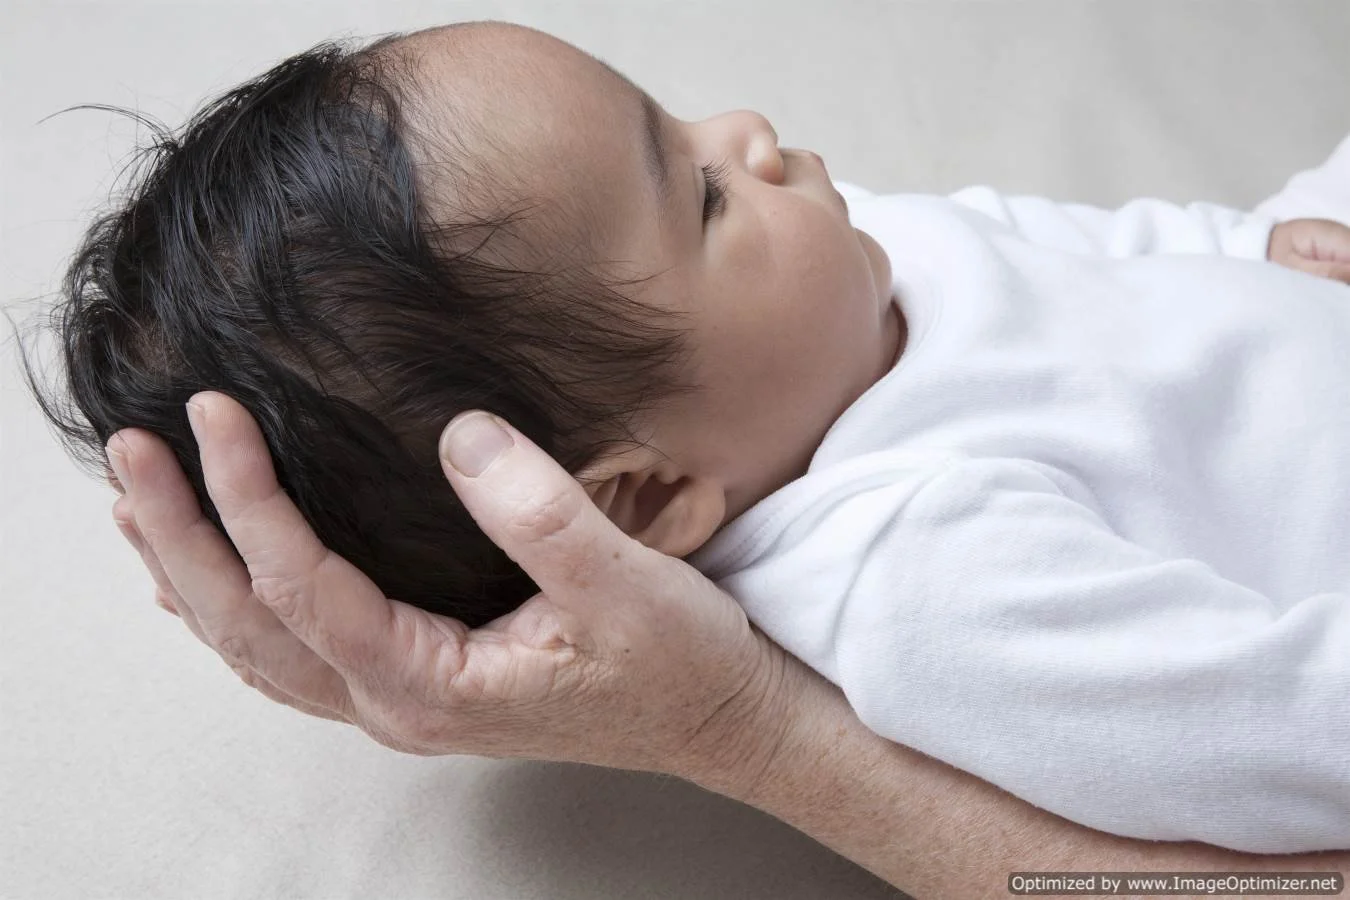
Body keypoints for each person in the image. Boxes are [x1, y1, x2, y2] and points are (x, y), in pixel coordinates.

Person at [28, 19, 1350, 854]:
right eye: (703, 193)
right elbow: (1274, 738)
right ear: (649, 497)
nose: (749, 136)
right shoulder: (921, 575)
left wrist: (1249, 247)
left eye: (671, 120)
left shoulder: (846, 273)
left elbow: (1091, 258)